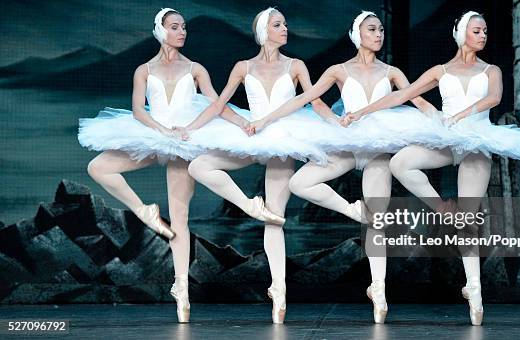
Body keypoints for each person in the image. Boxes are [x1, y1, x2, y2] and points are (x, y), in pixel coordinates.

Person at [344, 11, 520, 326]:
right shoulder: (440, 70)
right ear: (462, 33)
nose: (483, 35)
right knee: (400, 162)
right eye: (477, 30)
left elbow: (494, 98)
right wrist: (361, 112)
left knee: (468, 220)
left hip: (475, 139)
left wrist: (461, 116)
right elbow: (402, 95)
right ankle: (442, 208)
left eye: (485, 31)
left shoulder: (491, 70)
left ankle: (473, 288)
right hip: (445, 140)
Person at [247, 11, 450, 324]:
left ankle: (378, 289)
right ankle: (350, 209)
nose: (379, 34)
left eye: (381, 29)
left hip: (379, 148)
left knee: (377, 218)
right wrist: (267, 119)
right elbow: (309, 98)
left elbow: (416, 99)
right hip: (347, 143)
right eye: (372, 29)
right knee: (301, 183)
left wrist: (440, 118)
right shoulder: (339, 70)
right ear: (358, 34)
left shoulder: (392, 71)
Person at [78, 8, 250, 323]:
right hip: (154, 136)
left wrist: (242, 122)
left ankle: (181, 288)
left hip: (186, 141)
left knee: (180, 221)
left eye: (183, 27)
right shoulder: (144, 70)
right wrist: (160, 130)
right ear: (161, 31)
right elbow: (137, 110)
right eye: (175, 27)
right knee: (98, 167)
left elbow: (215, 104)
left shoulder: (196, 68)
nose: (182, 31)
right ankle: (144, 211)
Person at [180, 7, 342, 324]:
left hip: (284, 139)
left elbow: (314, 99)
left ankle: (278, 289)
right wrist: (199, 127)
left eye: (285, 24)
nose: (285, 29)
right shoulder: (243, 66)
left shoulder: (296, 65)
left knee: (276, 218)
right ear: (264, 30)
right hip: (253, 134)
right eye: (278, 24)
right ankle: (249, 206)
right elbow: (218, 103)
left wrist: (337, 122)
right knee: (199, 165)